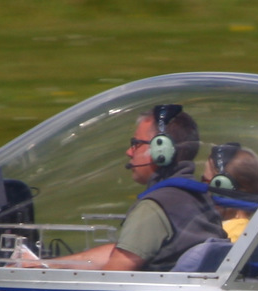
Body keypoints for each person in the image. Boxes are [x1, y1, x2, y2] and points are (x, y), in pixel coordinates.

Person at [13, 103, 225, 272]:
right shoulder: (196, 198)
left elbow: (113, 277)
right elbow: (125, 252)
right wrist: (48, 264)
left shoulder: (155, 207)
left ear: (162, 150)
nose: (129, 152)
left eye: (136, 144)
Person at [201, 142, 258, 242]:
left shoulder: (227, 237)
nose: (202, 186)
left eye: (205, 181)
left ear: (223, 187)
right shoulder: (249, 231)